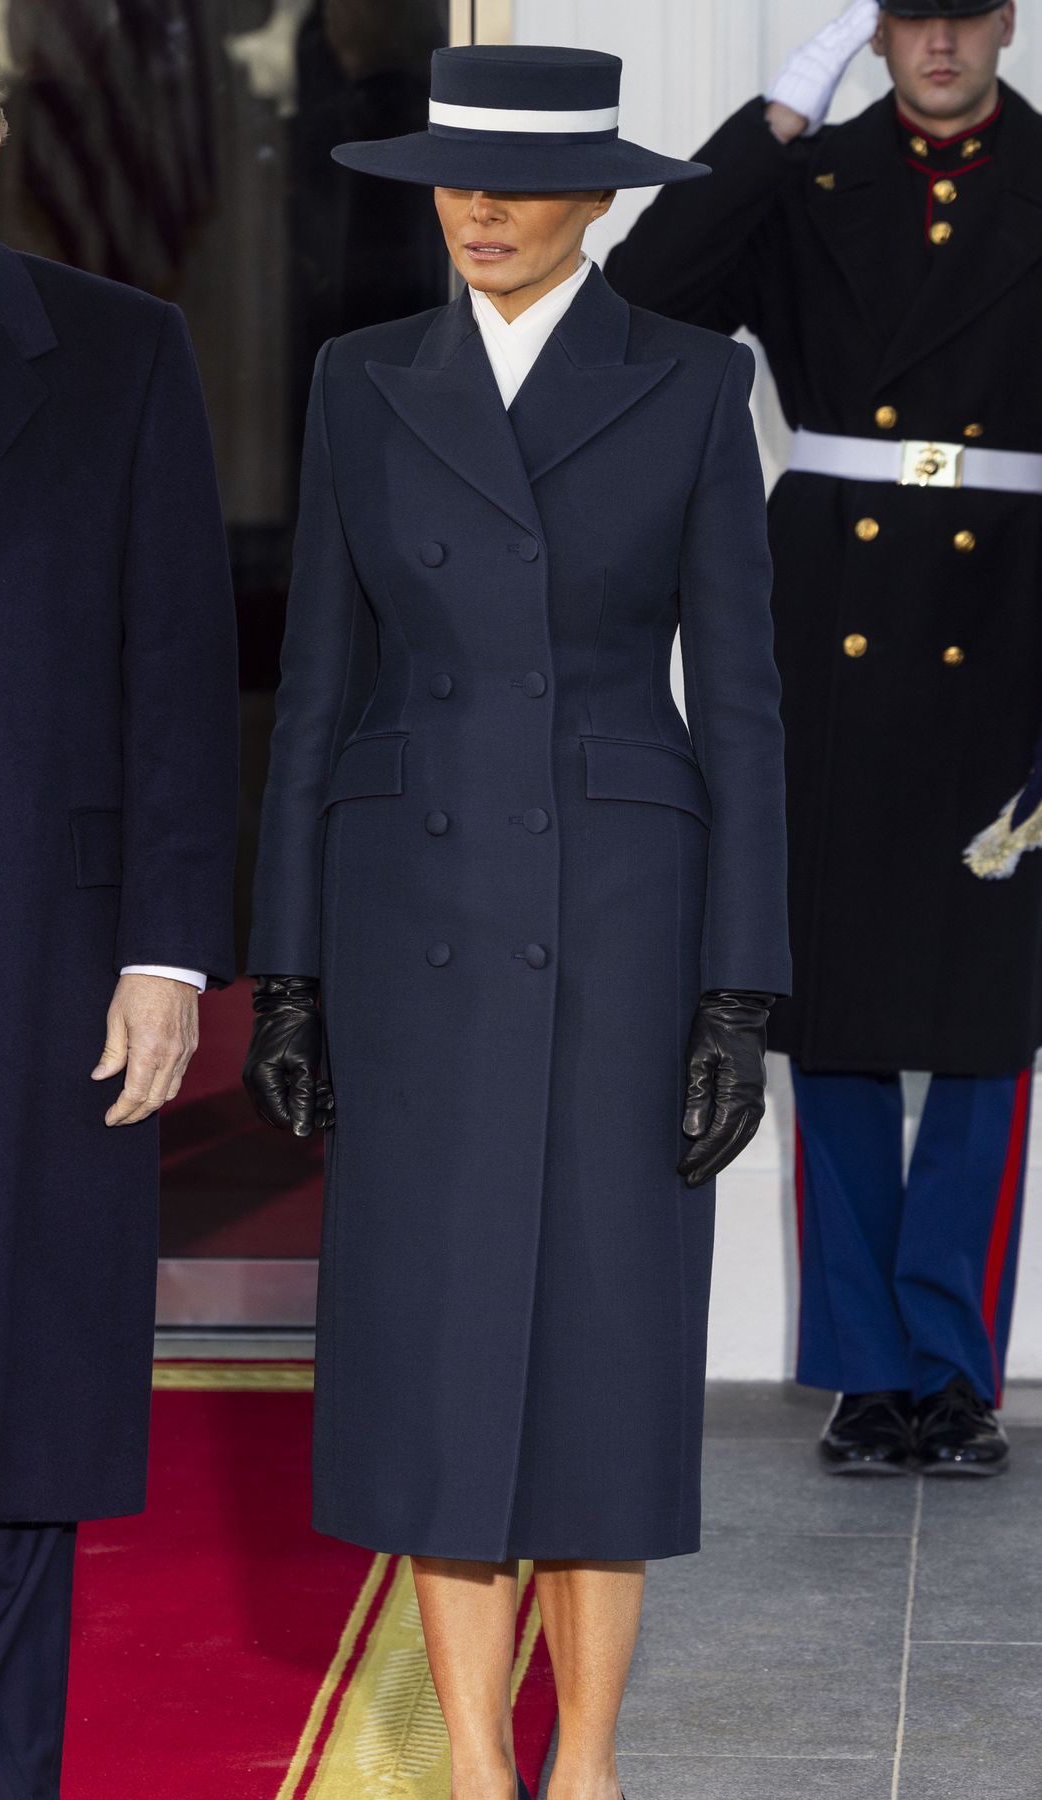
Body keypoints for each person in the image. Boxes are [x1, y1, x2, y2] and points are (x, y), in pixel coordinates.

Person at [244, 42, 789, 1800]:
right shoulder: (360, 380)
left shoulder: (694, 382)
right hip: (411, 916)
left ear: (602, 196)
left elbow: (751, 704)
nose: (473, 207)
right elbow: (319, 691)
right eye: (451, 177)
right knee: (436, 1348)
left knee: (604, 1347)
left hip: (625, 919)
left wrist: (739, 993)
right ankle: (481, 1767)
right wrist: (293, 970)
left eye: (516, 178)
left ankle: (592, 1767)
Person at [606, 0, 1042, 1478]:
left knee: (986, 1019)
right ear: (877, 32)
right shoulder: (816, 175)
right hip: (835, 613)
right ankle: (868, 1371)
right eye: (911, 18)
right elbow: (653, 294)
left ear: (1006, 23)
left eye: (964, 16)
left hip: (1017, 616)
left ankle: (956, 1369)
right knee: (841, 1013)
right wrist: (777, 118)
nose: (939, 45)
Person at [0, 26, 239, 1798]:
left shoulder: (121, 355)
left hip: (35, 978)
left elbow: (178, 682)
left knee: (11, 1415)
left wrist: (165, 952)